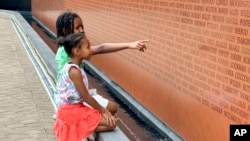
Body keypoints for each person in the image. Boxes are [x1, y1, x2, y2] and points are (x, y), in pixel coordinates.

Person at [55, 11, 148, 115]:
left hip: (70, 96)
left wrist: (129, 45)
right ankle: (74, 121)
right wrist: (129, 45)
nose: (82, 30)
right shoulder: (66, 53)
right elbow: (101, 48)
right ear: (65, 31)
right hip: (69, 102)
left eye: (82, 27)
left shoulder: (67, 49)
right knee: (111, 109)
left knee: (109, 109)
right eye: (77, 28)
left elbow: (102, 48)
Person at [54, 33, 117, 141]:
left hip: (76, 108)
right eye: (87, 47)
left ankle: (80, 128)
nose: (91, 50)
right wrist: (104, 111)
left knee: (112, 123)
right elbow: (86, 96)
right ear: (77, 51)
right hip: (71, 112)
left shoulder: (74, 67)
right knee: (111, 123)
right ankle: (79, 128)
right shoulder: (74, 71)